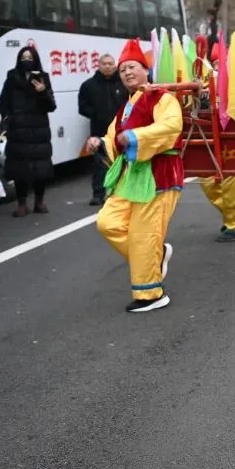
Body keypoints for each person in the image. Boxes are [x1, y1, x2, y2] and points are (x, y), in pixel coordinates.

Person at [87, 39, 183, 313]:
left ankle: (151, 294)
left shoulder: (162, 97)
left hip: (158, 174)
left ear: (145, 70)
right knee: (108, 222)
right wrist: (100, 142)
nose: (127, 72)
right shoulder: (126, 107)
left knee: (143, 235)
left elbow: (171, 127)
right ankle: (156, 255)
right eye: (123, 70)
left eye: (132, 67)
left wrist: (135, 136)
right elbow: (112, 137)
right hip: (131, 176)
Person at [199, 51, 235, 242]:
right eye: (215, 64)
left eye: (221, 64)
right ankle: (231, 214)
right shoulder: (207, 85)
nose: (217, 67)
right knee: (206, 180)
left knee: (233, 182)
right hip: (211, 140)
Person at [0, 46, 55, 217]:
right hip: (18, 131)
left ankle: (39, 202)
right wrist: (9, 119)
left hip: (39, 131)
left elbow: (51, 106)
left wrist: (42, 92)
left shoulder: (43, 77)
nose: (26, 60)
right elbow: (3, 102)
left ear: (35, 59)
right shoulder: (12, 77)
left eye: (30, 57)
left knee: (40, 169)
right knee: (19, 169)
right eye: (23, 58)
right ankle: (21, 204)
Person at [79, 54, 128, 206]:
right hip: (99, 131)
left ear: (115, 65)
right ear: (99, 65)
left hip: (121, 130)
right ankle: (98, 194)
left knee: (122, 162)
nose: (107, 66)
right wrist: (96, 113)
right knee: (100, 164)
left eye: (110, 63)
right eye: (104, 64)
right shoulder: (89, 85)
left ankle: (120, 193)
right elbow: (82, 107)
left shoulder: (123, 83)